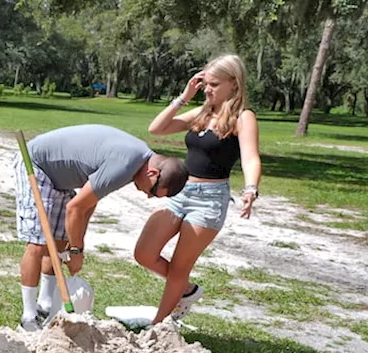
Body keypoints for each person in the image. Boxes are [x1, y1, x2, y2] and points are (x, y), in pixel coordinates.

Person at [13, 124, 188, 330]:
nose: (148, 196)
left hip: (59, 178)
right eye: (154, 191)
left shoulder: (135, 163)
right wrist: (76, 250)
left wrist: (76, 244)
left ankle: (45, 305)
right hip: (36, 165)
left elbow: (88, 203)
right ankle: (28, 317)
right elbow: (75, 208)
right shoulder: (125, 164)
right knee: (38, 243)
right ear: (152, 173)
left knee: (60, 241)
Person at [136, 54, 262, 324]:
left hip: (210, 200)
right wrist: (184, 96)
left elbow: (251, 157)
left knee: (180, 267)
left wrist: (251, 188)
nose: (207, 89)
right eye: (205, 83)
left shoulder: (242, 117)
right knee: (144, 253)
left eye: (214, 84)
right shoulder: (201, 113)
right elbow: (156, 128)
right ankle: (188, 291)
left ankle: (159, 328)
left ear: (234, 84)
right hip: (180, 192)